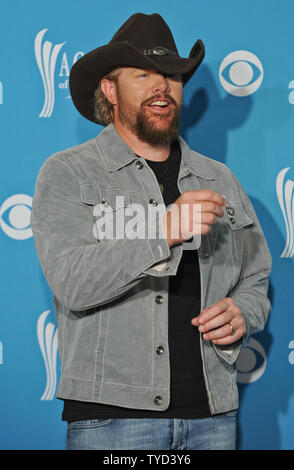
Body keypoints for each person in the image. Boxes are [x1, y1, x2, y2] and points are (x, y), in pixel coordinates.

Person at [30, 13, 272, 450]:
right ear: (110, 88)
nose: (162, 87)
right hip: (111, 424)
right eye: (143, 74)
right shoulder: (67, 172)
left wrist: (243, 311)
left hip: (211, 419)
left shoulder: (220, 179)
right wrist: (164, 230)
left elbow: (255, 279)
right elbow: (72, 282)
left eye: (172, 77)